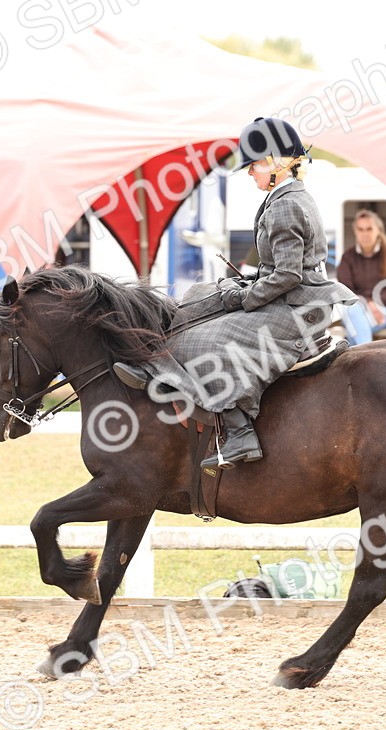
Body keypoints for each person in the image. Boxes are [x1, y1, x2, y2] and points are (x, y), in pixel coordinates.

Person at [113, 117, 358, 471]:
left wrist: (245, 297)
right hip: (293, 298)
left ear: (277, 162)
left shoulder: (286, 203)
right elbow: (282, 269)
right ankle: (156, 369)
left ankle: (238, 430)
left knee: (205, 342)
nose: (250, 173)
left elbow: (289, 274)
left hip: (299, 309)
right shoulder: (284, 197)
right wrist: (242, 284)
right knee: (200, 295)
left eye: (255, 164)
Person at [336, 209, 386, 344]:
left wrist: (376, 303)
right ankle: (366, 357)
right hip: (357, 308)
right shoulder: (348, 257)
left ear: (378, 230)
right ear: (355, 231)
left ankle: (361, 357)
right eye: (360, 229)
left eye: (369, 229)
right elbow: (344, 289)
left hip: (385, 310)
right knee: (354, 311)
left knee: (353, 324)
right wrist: (367, 303)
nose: (365, 234)